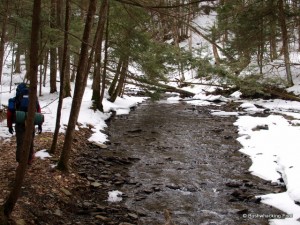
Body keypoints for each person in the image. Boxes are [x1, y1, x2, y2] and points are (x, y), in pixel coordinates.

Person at [7, 83, 43, 165]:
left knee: (20, 143)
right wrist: (40, 124)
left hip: (19, 124)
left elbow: (9, 113)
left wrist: (9, 126)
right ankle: (29, 160)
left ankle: (20, 161)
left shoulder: (15, 100)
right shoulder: (34, 99)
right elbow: (39, 111)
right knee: (30, 141)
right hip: (31, 123)